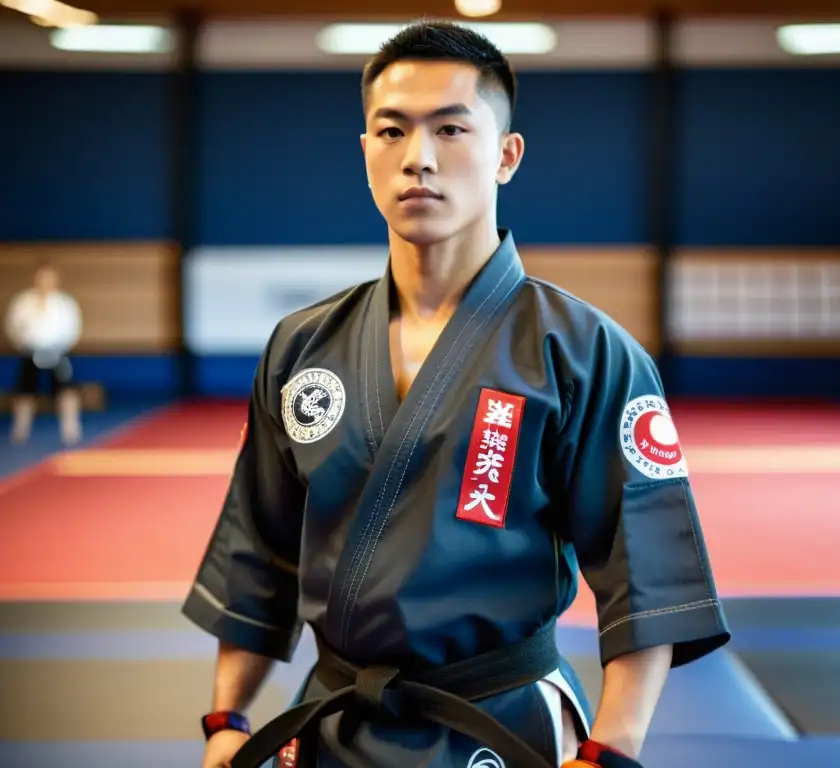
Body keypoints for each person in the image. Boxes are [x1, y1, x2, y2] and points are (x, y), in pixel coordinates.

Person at [184, 20, 729, 768]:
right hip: (334, 724)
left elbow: (647, 572)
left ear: (506, 156)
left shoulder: (582, 351)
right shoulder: (302, 348)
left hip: (502, 726)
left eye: (450, 129)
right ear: (366, 152)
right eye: (392, 131)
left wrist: (611, 750)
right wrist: (227, 719)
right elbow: (258, 551)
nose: (419, 159)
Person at [4, 262, 83, 445]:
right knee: (25, 392)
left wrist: (61, 347)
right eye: (41, 276)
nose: (45, 281)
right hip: (30, 351)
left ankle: (71, 429)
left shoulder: (65, 303)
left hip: (58, 352)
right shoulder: (23, 301)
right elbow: (13, 327)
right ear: (35, 278)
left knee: (66, 392)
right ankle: (20, 430)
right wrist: (24, 345)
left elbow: (74, 329)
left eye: (49, 276)